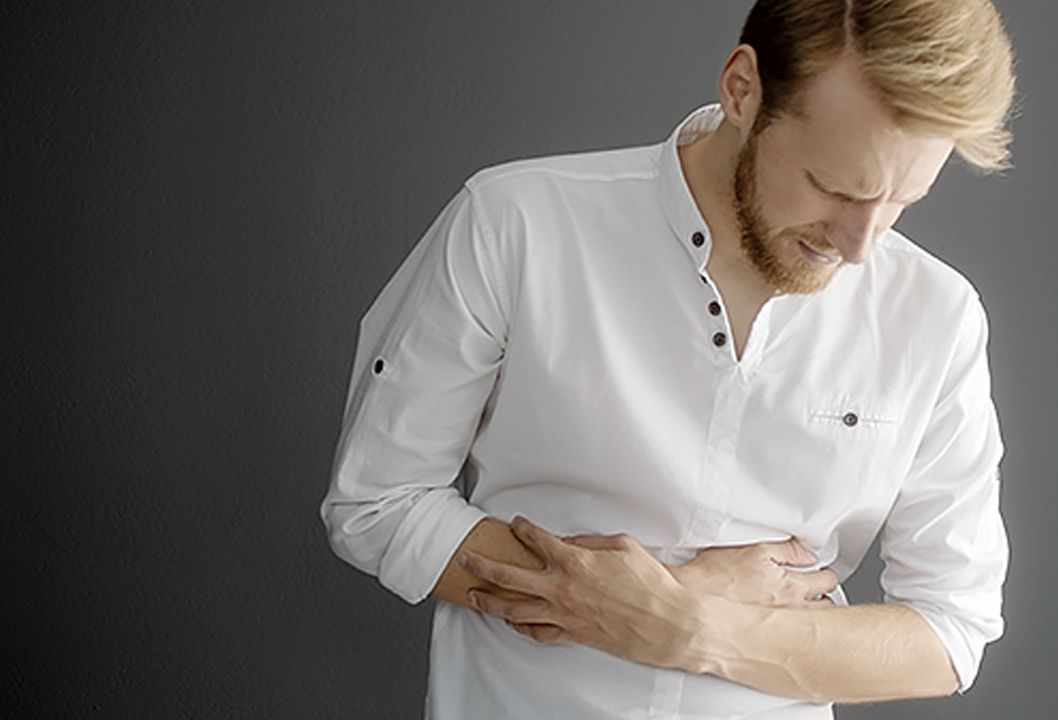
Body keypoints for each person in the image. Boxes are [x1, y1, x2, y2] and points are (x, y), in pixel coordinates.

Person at [320, 0, 1017, 717]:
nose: (861, 245)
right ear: (743, 90)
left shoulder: (937, 317)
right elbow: (377, 503)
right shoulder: (515, 225)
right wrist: (637, 598)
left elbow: (950, 630)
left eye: (902, 200)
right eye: (833, 187)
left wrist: (693, 625)